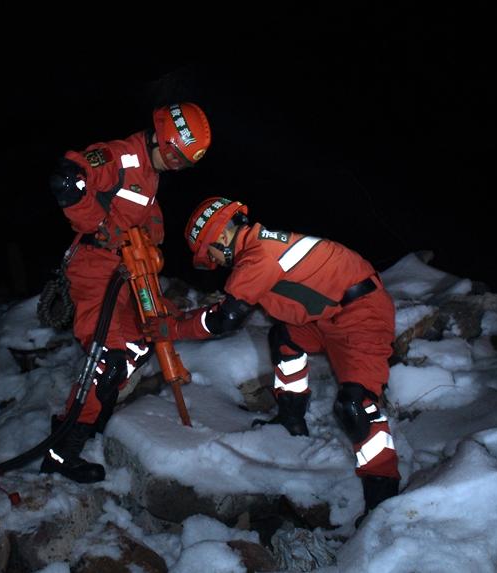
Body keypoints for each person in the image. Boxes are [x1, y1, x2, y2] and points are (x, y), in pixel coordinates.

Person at [143, 197, 400, 517]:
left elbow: (225, 319)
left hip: (362, 316)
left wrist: (174, 329)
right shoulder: (260, 248)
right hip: (327, 317)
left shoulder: (259, 257)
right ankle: (291, 420)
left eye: (209, 253)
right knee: (285, 339)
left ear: (222, 237)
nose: (213, 261)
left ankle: (383, 493)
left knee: (354, 406)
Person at [41, 103, 212, 483]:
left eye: (184, 163)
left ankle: (88, 412)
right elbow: (67, 180)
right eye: (174, 157)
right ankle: (60, 453)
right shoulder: (121, 156)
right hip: (94, 267)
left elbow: (135, 212)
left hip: (124, 270)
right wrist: (99, 225)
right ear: (159, 138)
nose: (177, 166)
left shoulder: (150, 175)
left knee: (139, 343)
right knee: (108, 360)